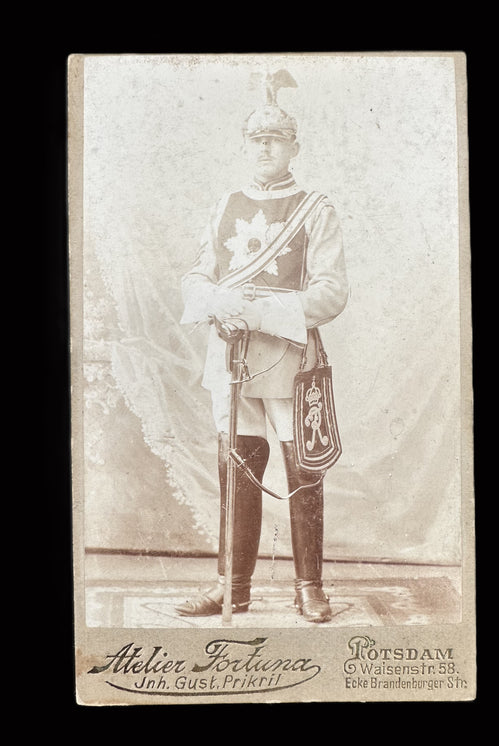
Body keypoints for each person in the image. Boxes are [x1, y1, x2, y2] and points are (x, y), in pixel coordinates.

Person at [176, 71, 349, 623]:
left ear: (294, 147)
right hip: (230, 360)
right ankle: (233, 587)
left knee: (302, 470)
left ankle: (308, 588)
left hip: (287, 360)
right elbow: (198, 274)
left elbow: (331, 292)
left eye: (275, 139)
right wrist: (213, 301)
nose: (265, 148)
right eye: (256, 139)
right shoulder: (225, 203)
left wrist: (254, 310)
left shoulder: (315, 208)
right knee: (237, 468)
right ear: (245, 146)